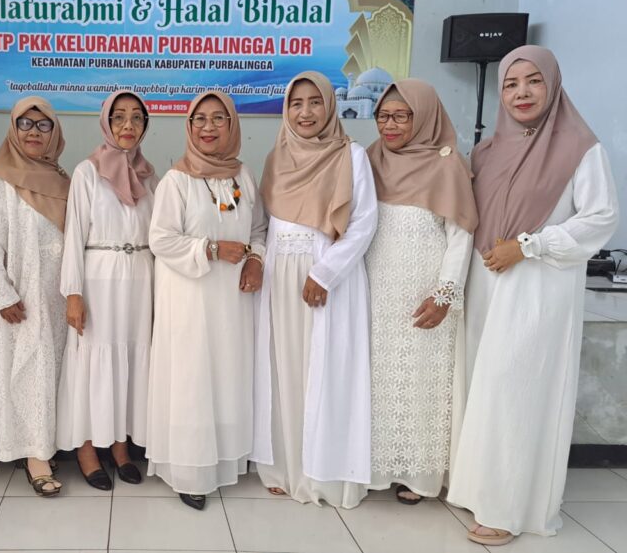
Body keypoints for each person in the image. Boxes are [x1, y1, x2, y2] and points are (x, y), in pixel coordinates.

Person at [447, 46, 618, 546]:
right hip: (485, 285)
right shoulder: (486, 151)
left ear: (553, 85)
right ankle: (479, 490)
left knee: (518, 393)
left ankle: (509, 508)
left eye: (533, 81)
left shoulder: (581, 148)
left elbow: (600, 218)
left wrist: (528, 246)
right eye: (511, 84)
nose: (522, 92)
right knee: (483, 389)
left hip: (537, 289)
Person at [252, 71, 377, 508]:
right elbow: (264, 223)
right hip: (279, 277)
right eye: (296, 103)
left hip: (326, 277)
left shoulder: (351, 155)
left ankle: (322, 473)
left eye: (315, 102)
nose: (305, 112)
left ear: (329, 106)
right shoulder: (276, 158)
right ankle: (282, 465)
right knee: (283, 368)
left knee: (324, 370)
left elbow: (363, 222)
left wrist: (325, 273)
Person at [146, 91, 266, 510]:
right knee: (192, 378)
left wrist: (256, 260)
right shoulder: (176, 180)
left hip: (232, 301)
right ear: (189, 126)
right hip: (190, 299)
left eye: (218, 119)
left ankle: (225, 460)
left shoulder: (243, 176)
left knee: (227, 375)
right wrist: (211, 249)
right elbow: (160, 239)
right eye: (200, 119)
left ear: (232, 125)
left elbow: (258, 230)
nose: (209, 127)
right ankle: (190, 471)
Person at [361, 78, 477, 505]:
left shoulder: (448, 165)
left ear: (425, 116)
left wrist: (445, 294)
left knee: (422, 381)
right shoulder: (370, 159)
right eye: (383, 116)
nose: (389, 125)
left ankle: (419, 475)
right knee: (378, 379)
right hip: (377, 288)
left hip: (424, 292)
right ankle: (374, 467)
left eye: (402, 116)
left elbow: (461, 235)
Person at [0, 96, 70, 497]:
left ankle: (47, 443)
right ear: (13, 129)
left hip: (58, 295)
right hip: (22, 296)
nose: (33, 133)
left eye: (43, 125)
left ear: (55, 132)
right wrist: (2, 295)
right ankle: (33, 455)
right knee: (27, 371)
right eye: (25, 124)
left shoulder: (62, 178)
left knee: (52, 371)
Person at [57, 90, 157, 490]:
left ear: (145, 125)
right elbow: (74, 235)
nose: (128, 125)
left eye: (136, 118)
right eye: (119, 117)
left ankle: (119, 447)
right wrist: (73, 292)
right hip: (99, 278)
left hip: (140, 279)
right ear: (106, 123)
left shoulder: (149, 176)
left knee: (129, 361)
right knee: (92, 363)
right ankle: (86, 449)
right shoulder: (87, 172)